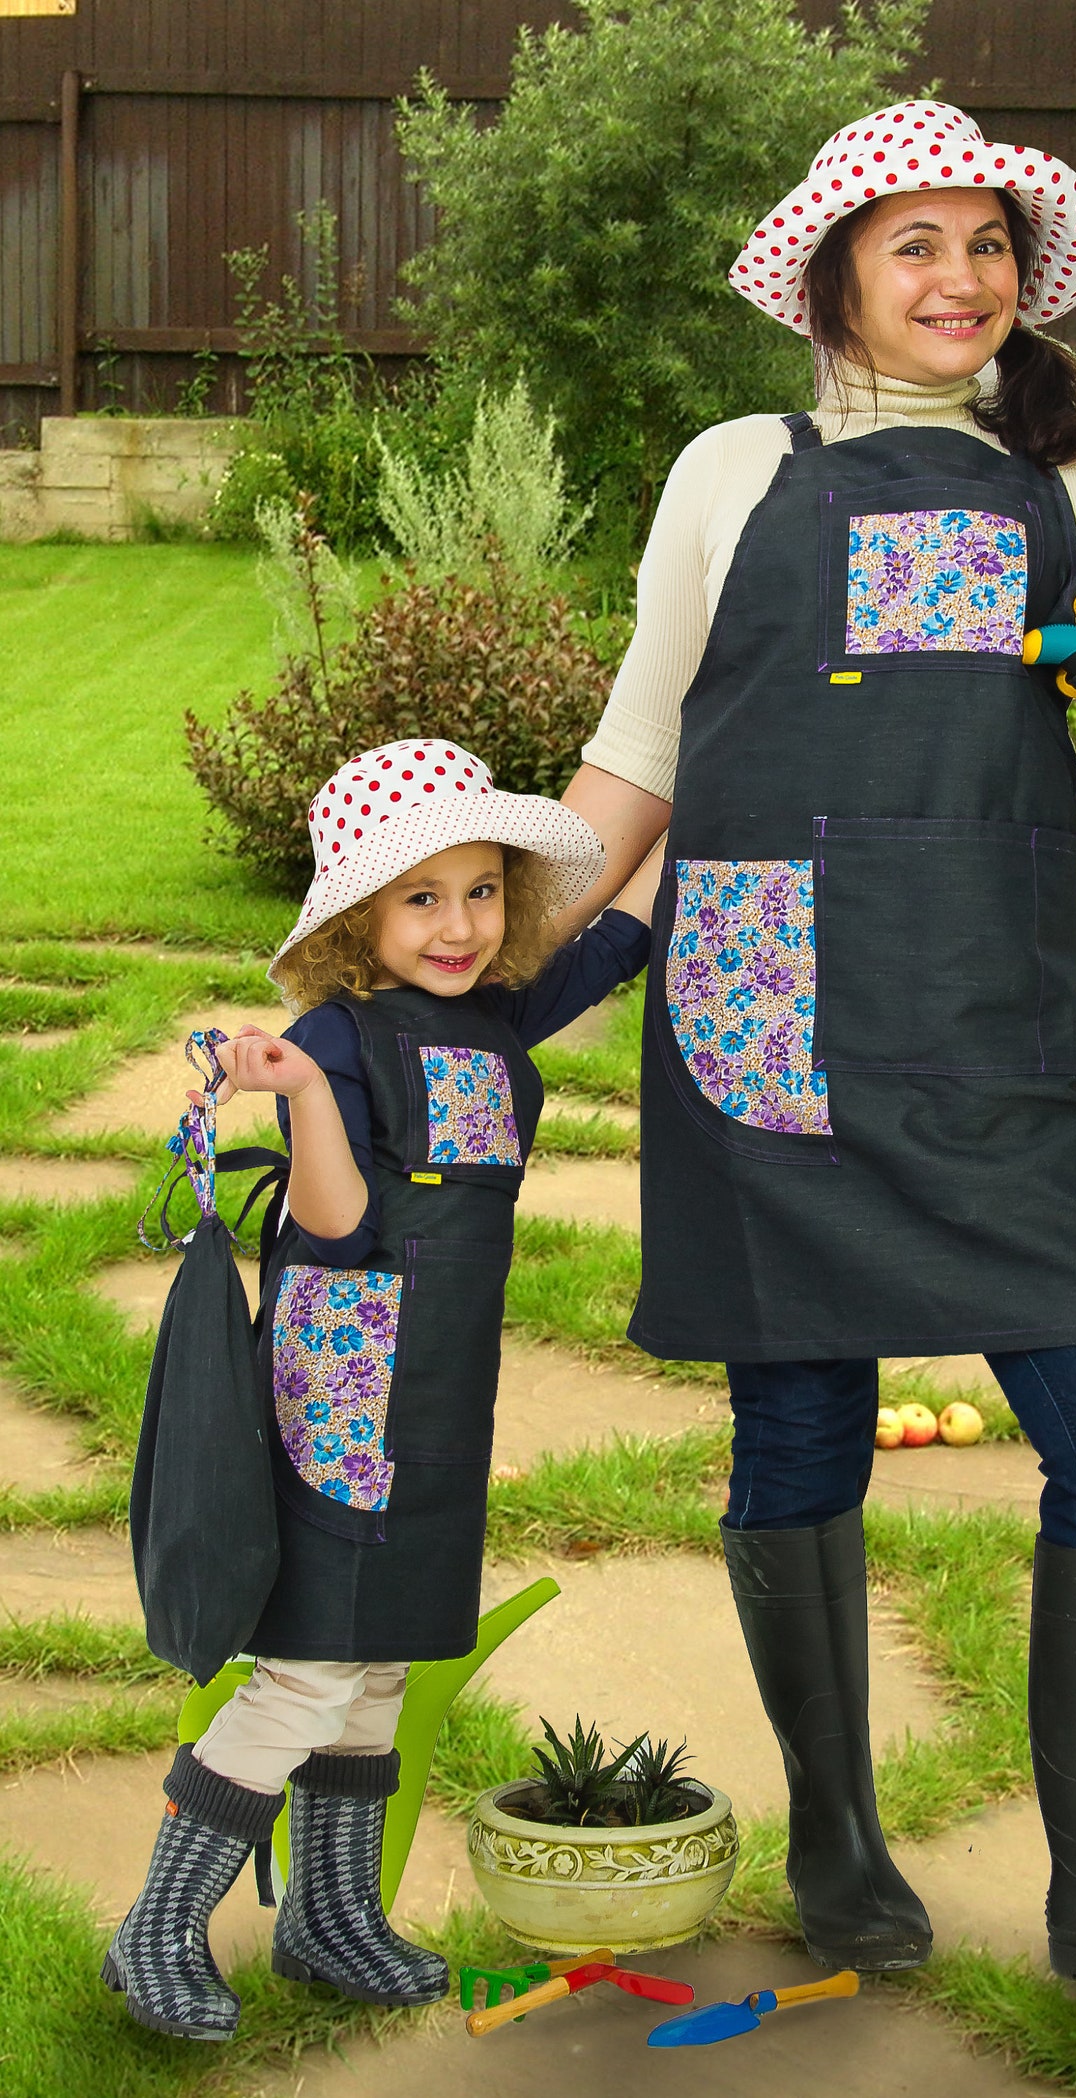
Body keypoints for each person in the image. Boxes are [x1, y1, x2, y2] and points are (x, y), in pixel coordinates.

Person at [558, 102, 1076, 2000]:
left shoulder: (1056, 480)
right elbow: (646, 748)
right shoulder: (729, 469)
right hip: (769, 1006)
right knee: (804, 1416)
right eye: (913, 244)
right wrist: (466, 967)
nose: (960, 278)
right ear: (834, 278)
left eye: (985, 246)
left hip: (988, 1013)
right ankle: (840, 1836)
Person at [104, 739, 662, 2042]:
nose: (459, 925)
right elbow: (338, 1225)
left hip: (441, 1380)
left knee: (374, 1667)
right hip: (345, 1376)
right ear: (359, 915)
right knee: (305, 1669)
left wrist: (701, 798)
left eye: (481, 890)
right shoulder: (336, 1040)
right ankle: (158, 1926)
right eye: (421, 898)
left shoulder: (493, 1014)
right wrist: (299, 1097)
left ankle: (328, 1917)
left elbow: (623, 934)